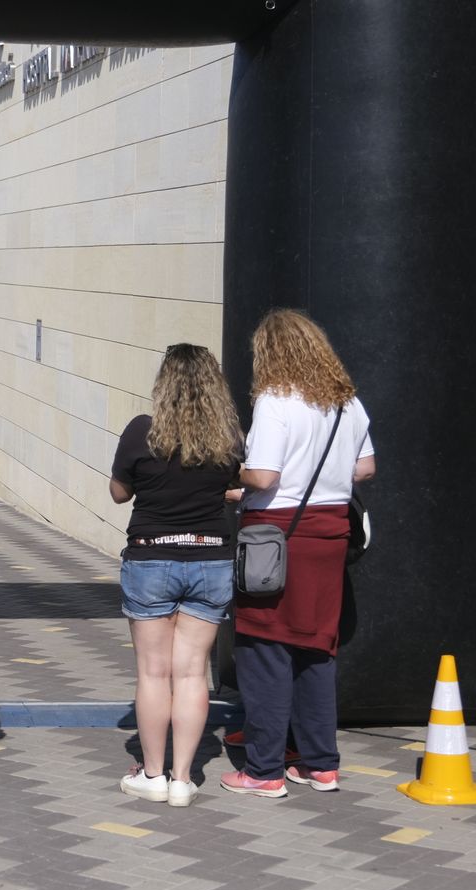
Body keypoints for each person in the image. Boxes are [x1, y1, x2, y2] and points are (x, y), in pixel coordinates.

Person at [221, 309, 375, 799]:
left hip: (277, 538)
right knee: (316, 650)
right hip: (330, 538)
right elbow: (366, 468)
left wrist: (234, 477)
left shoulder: (275, 401)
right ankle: (319, 764)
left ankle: (263, 770)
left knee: (264, 650)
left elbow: (263, 477)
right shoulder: (347, 403)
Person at [109, 344, 243, 809]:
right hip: (210, 558)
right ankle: (184, 779)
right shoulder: (227, 438)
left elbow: (118, 494)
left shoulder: (141, 432)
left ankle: (152, 774)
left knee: (153, 672)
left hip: (151, 558)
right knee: (191, 674)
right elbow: (228, 486)